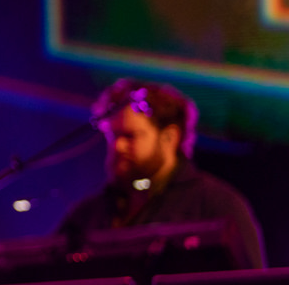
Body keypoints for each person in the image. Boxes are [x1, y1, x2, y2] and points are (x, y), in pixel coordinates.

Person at [59, 78, 264, 269]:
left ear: (169, 137)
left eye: (130, 136)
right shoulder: (88, 214)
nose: (118, 146)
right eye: (113, 135)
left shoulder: (216, 204)